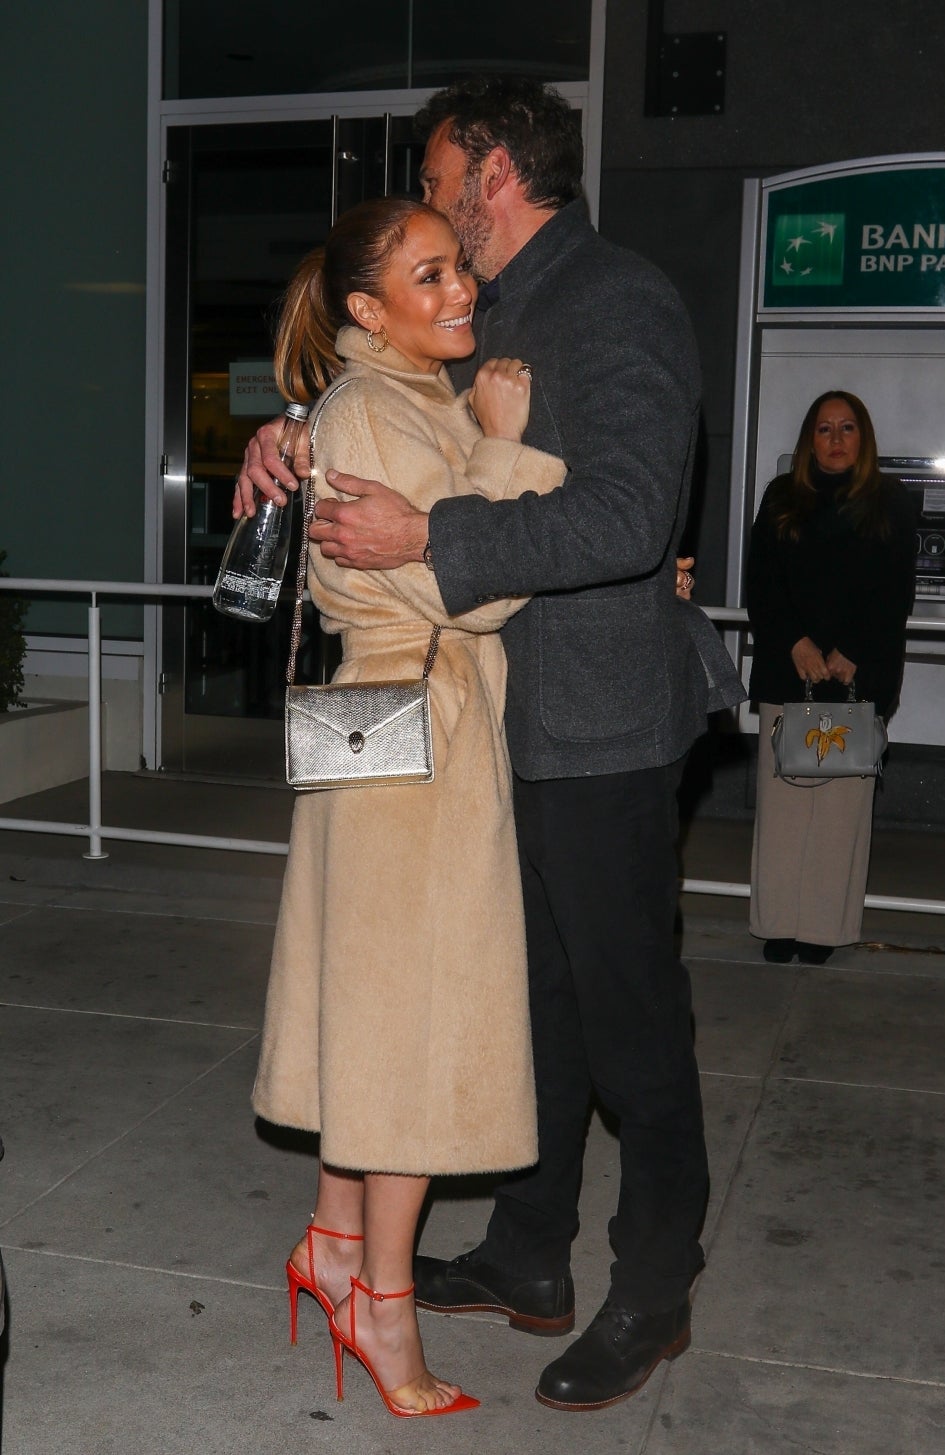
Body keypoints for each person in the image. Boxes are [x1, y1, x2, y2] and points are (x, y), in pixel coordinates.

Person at [238, 76, 744, 1414]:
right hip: (480, 729)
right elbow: (398, 400)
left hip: (598, 724)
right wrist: (284, 437)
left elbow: (630, 516)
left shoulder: (617, 298)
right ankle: (528, 1250)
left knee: (631, 1021)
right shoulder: (487, 308)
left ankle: (653, 1282)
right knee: (532, 1008)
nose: (431, 209)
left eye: (436, 177)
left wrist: (432, 537)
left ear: (493, 176)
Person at [251, 195, 566, 1419]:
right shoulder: (376, 409)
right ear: (367, 311)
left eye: (455, 267)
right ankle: (383, 1306)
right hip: (412, 741)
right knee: (413, 1039)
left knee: (376, 1009)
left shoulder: (390, 398)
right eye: (426, 276)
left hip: (402, 735)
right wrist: (502, 447)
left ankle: (334, 1249)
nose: (458, 289)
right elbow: (470, 592)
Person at [746, 390, 916, 965]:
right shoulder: (780, 497)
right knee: (783, 810)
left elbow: (894, 591)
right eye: (825, 429)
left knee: (840, 815)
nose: (836, 439)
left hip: (855, 678)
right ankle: (779, 924)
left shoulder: (889, 501)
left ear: (863, 438)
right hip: (788, 669)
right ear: (809, 440)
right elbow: (762, 583)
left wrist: (853, 652)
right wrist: (794, 642)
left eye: (847, 428)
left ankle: (821, 930)